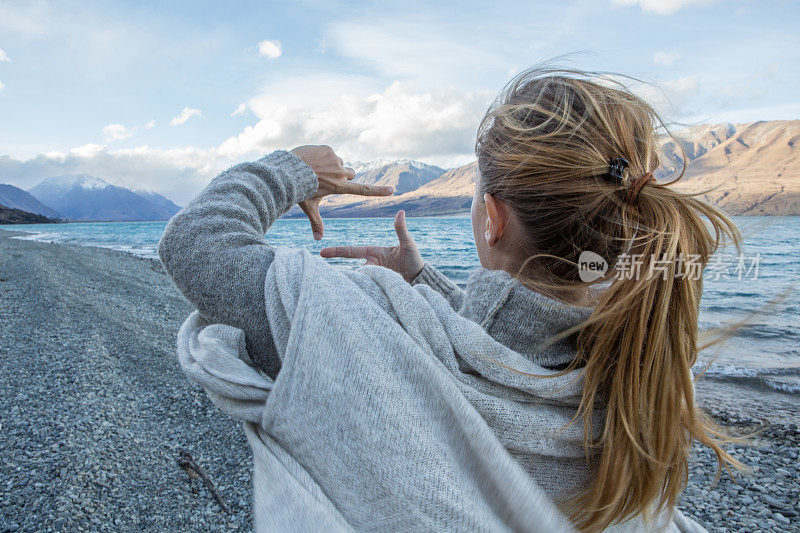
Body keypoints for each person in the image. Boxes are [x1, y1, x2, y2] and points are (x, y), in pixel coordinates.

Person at [159, 68, 740, 532]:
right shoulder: (643, 379)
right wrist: (425, 284)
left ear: (492, 219)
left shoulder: (351, 321)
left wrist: (291, 170)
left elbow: (196, 244)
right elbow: (508, 351)